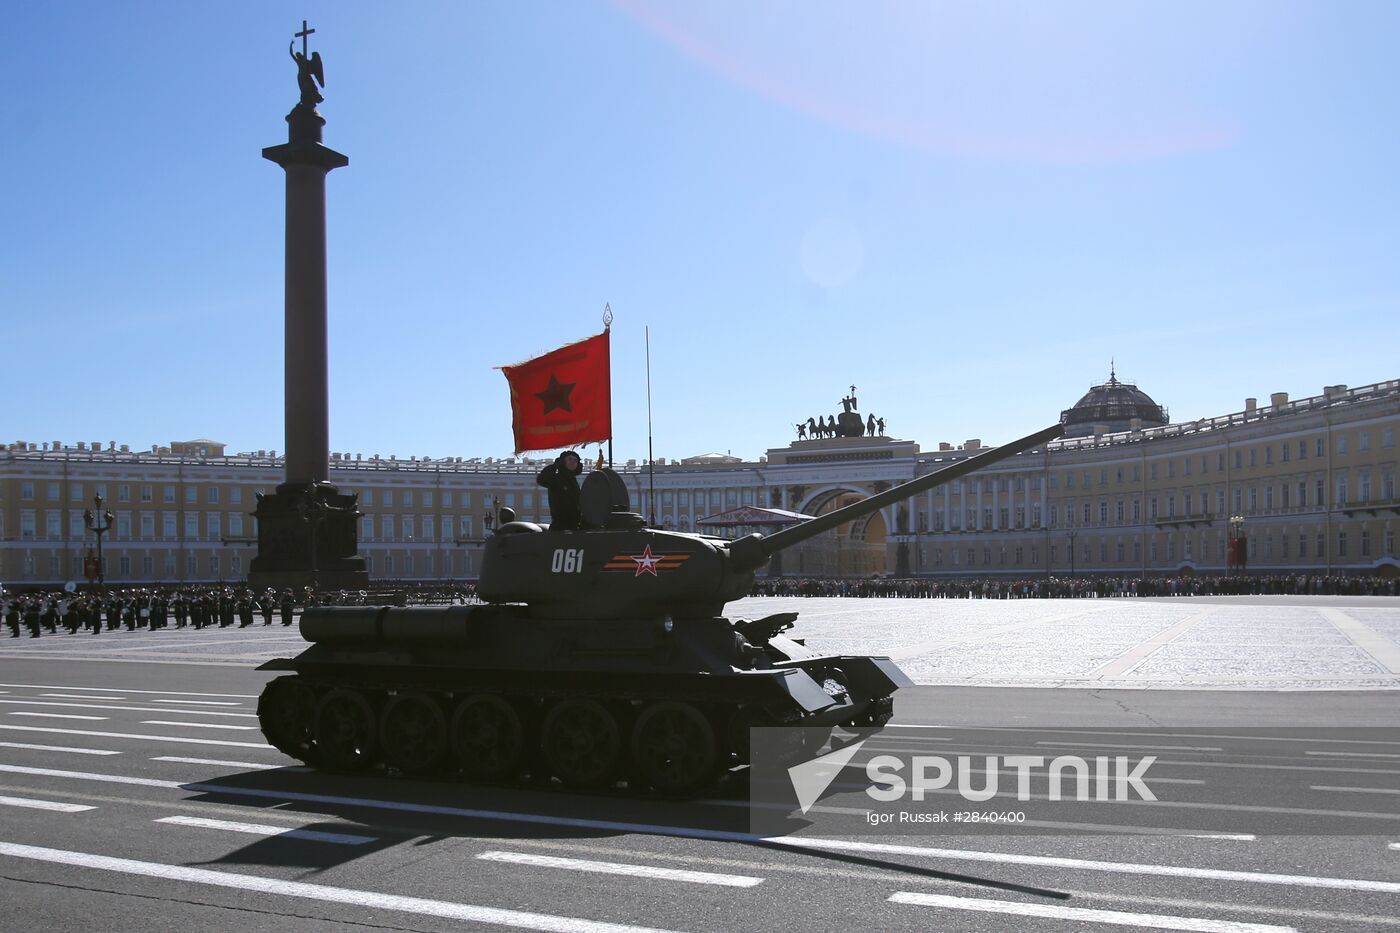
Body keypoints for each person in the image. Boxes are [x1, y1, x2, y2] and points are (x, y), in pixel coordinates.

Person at [536, 449, 584, 530]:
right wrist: (555, 466)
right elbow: (541, 479)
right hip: (560, 526)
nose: (573, 462)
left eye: (575, 460)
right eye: (569, 459)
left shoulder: (573, 481)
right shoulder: (556, 478)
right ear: (563, 462)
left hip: (575, 525)